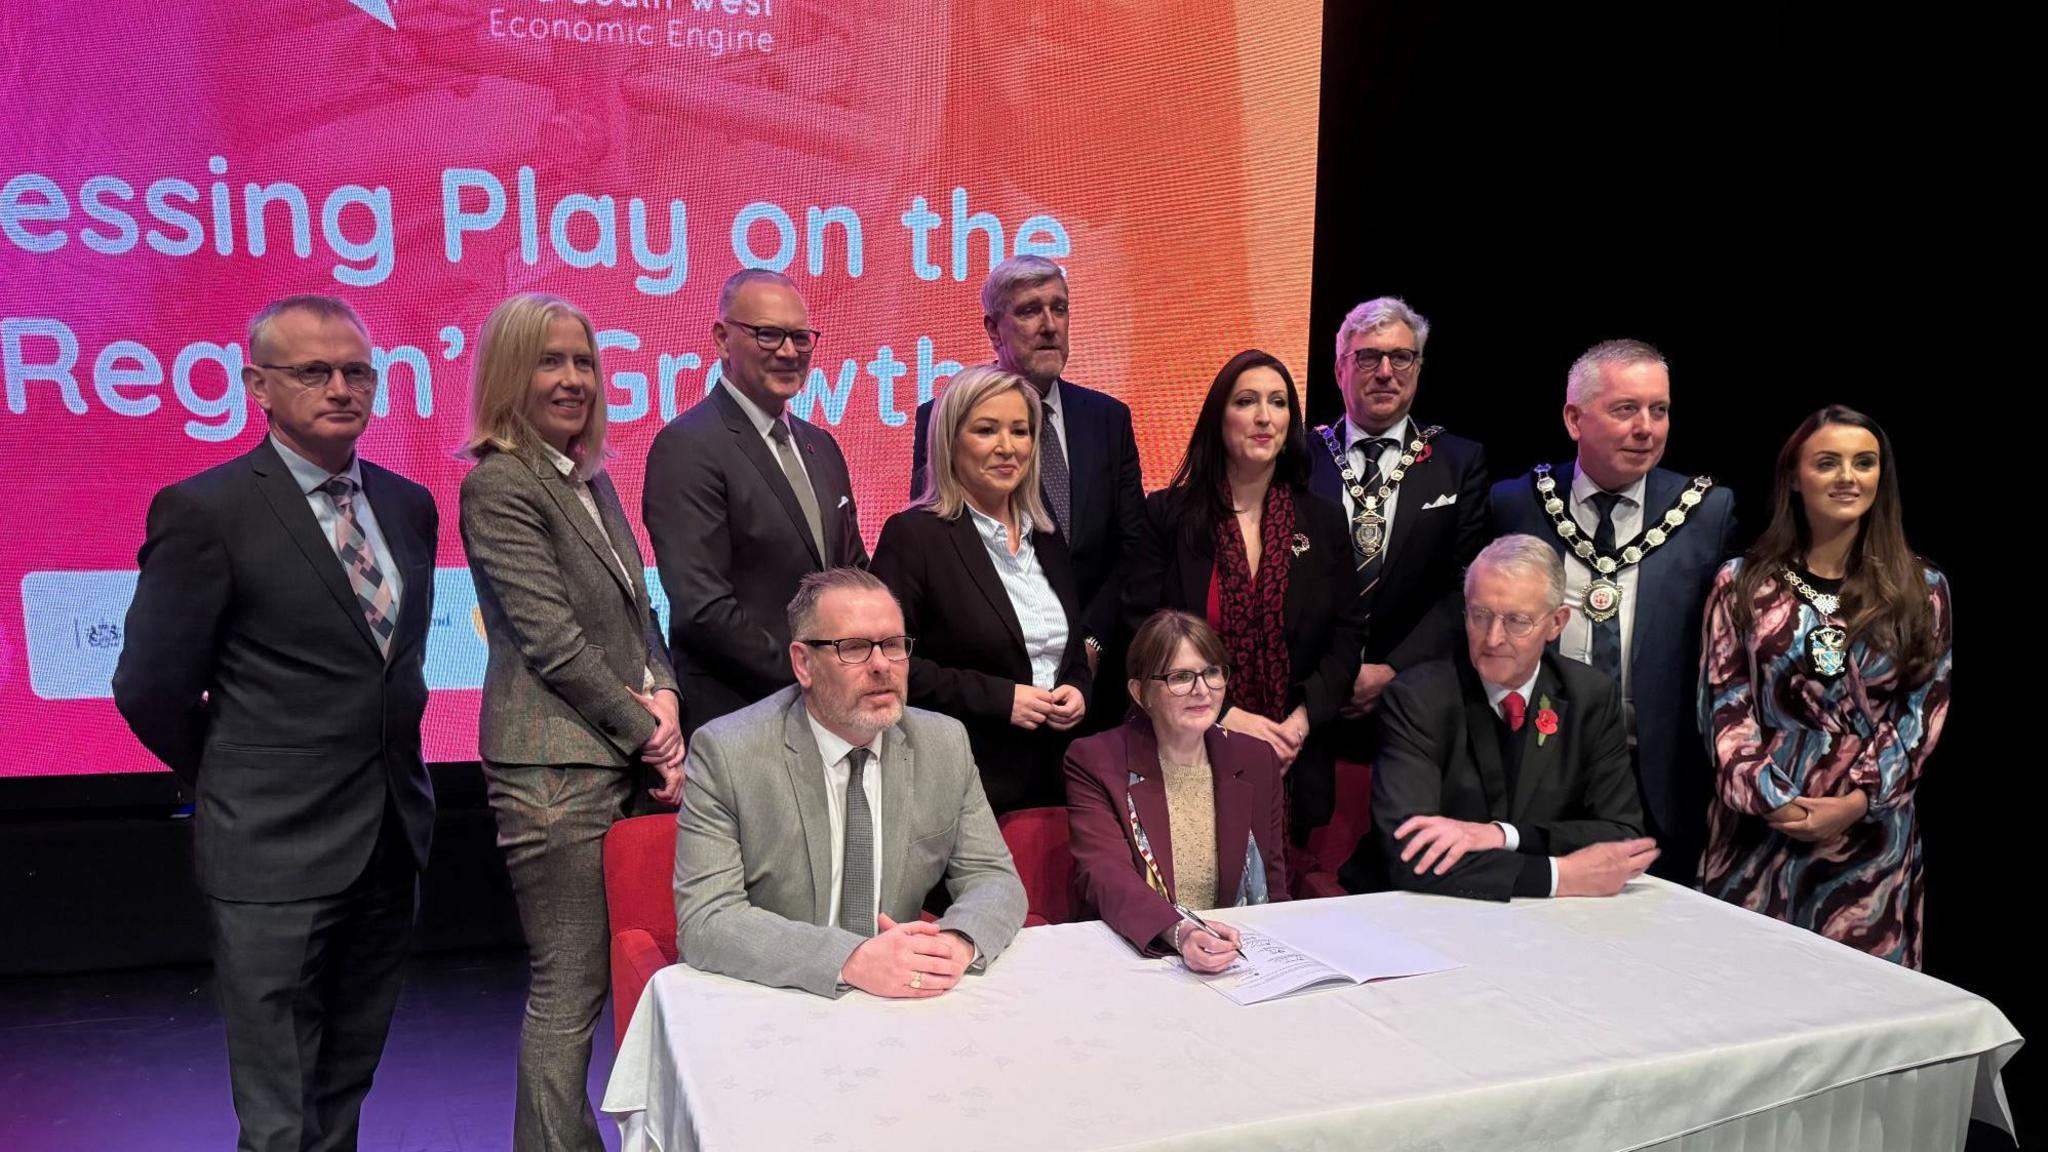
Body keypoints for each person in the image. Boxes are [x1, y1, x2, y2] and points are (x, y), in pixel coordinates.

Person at [112, 295, 438, 1152]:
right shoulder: (205, 511)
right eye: (313, 371)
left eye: (357, 371)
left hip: (389, 836)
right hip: (268, 847)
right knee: (279, 1109)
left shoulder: (408, 506)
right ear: (257, 384)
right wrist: (232, 776)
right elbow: (149, 687)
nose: (341, 387)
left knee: (345, 1082)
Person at [457, 293, 685, 1151]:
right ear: (511, 375)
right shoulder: (500, 484)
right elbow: (550, 641)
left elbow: (637, 617)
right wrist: (651, 732)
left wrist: (663, 693)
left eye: (583, 361)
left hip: (613, 759)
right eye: (550, 361)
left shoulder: (585, 477)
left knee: (613, 979)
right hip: (553, 774)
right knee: (569, 991)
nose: (572, 379)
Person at [674, 568, 1030, 997]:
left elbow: (994, 879)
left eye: (894, 646)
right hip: (776, 994)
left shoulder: (944, 743)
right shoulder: (728, 752)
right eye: (855, 648)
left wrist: (955, 943)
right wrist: (851, 958)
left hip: (898, 997)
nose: (882, 665)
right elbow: (706, 920)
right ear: (803, 663)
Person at [1699, 406, 1951, 968]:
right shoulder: (1742, 583)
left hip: (1870, 841)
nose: (1848, 477)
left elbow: (1921, 712)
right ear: (1794, 476)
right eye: (1828, 463)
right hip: (1759, 832)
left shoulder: (1920, 587)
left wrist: (1858, 800)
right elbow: (1724, 704)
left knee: (1861, 1011)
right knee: (1744, 993)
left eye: (1864, 463)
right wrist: (1774, 800)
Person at [1489, 339, 1737, 882]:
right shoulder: (1517, 503)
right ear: (1575, 419)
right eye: (1625, 409)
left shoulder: (1707, 512)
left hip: (1656, 779)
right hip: (1534, 769)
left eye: (1660, 409)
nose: (1646, 427)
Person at [1122, 349, 1366, 842]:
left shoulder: (1322, 520)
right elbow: (1141, 632)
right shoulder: (1168, 516)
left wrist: (1296, 725)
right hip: (1185, 751)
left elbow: (1346, 635)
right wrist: (1227, 715)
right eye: (1246, 401)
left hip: (1293, 758)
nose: (1263, 417)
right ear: (1219, 418)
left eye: (1278, 403)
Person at [1338, 535, 1656, 900]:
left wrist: (1504, 835)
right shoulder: (1417, 699)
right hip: (1420, 910)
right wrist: (1557, 875)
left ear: (1556, 623)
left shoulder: (1589, 697)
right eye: (1480, 615)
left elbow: (1622, 836)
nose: (1492, 638)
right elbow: (1413, 853)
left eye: (1517, 621)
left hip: (1539, 918)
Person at [911, 255, 1145, 720]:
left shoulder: (1108, 418)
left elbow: (1132, 549)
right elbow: (944, 542)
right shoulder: (941, 416)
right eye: (1029, 311)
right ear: (993, 329)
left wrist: (1089, 645)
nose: (1049, 325)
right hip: (991, 689)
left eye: (1059, 309)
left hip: (1091, 692)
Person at [644, 268, 868, 734]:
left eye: (801, 337)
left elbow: (852, 573)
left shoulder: (821, 445)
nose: (789, 352)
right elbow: (703, 610)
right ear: (723, 339)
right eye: (768, 335)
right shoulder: (686, 446)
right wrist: (813, 678)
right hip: (740, 721)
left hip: (830, 718)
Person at [872, 365, 1091, 812]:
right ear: (951, 441)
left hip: (1056, 782)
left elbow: (1063, 649)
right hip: (961, 786)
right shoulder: (914, 537)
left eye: (1021, 431)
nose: (1007, 447)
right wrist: (1000, 699)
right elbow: (886, 663)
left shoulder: (1046, 536)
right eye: (987, 430)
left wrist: (1078, 686)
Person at [1065, 610, 1286, 969]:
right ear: (1140, 693)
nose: (1202, 690)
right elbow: (1106, 876)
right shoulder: (1097, 761)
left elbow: (1274, 886)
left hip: (1239, 957)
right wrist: (1180, 933)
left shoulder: (1256, 759)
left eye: (1212, 672)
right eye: (1180, 677)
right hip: (1139, 957)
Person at [1309, 297, 1489, 734]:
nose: (1386, 372)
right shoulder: (1298, 457)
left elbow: (1465, 588)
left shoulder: (1459, 461)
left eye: (1401, 357)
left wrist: (1391, 669)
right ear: (1339, 371)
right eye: (1368, 357)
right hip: (1306, 691)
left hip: (1416, 697)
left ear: (1418, 369)